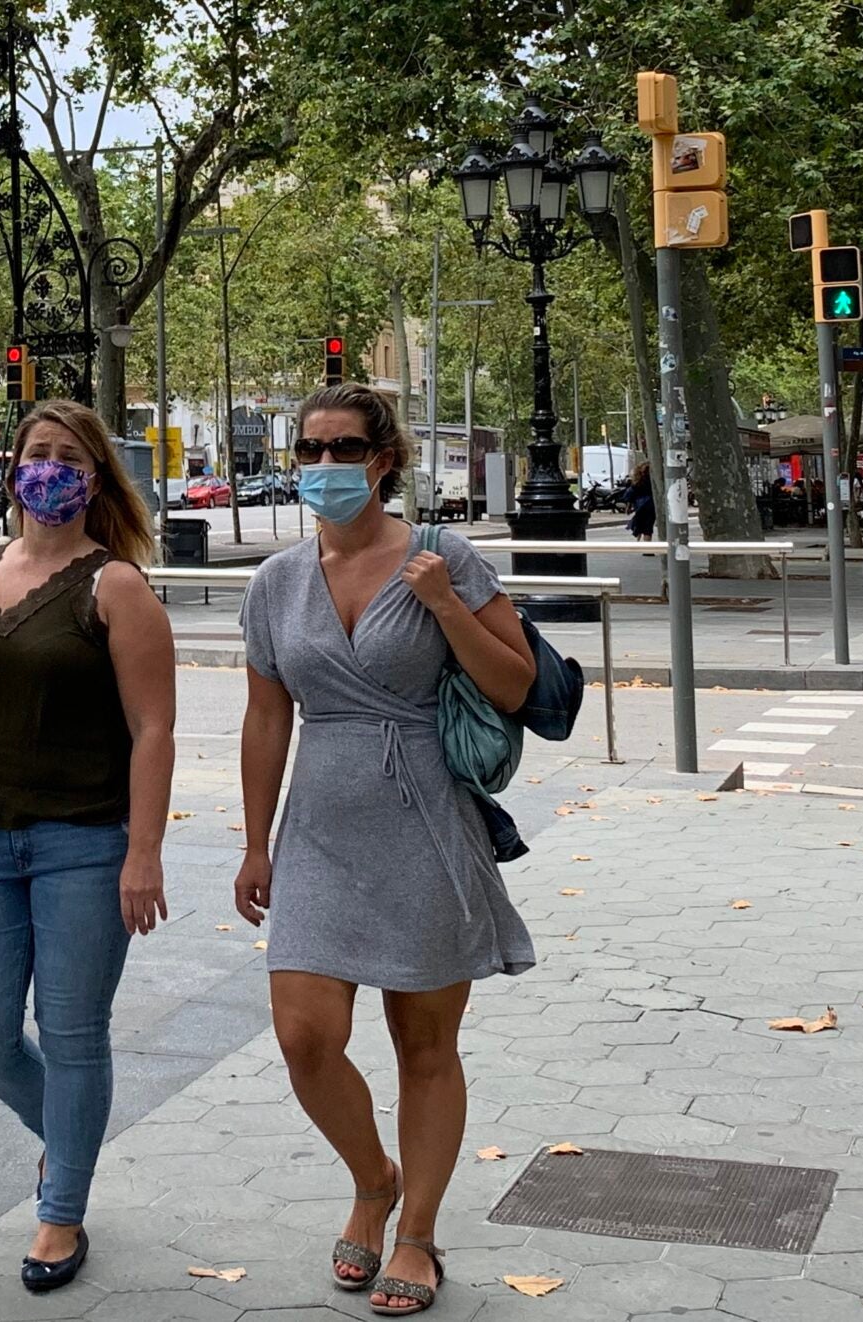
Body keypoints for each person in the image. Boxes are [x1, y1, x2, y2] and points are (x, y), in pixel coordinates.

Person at [233, 383, 538, 1317]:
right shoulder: (276, 581)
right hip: (320, 826)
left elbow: (517, 684)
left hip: (425, 820)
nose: (324, 467)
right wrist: (255, 843)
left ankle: (416, 1235)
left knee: (423, 1041)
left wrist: (446, 607)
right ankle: (374, 1177)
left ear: (384, 458)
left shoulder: (445, 557)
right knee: (303, 1035)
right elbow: (263, 715)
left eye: (344, 449)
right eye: (309, 450)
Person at [0, 399, 175, 1295]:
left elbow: (153, 731)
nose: (49, 468)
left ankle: (61, 1211)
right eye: (35, 454)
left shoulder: (117, 587)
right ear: (11, 470)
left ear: (95, 476)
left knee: (71, 1035)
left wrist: (145, 853)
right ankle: (65, 1145)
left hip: (85, 847)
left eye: (68, 456)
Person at [623, 459, 655, 541]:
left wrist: (628, 507)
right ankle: (647, 549)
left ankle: (639, 540)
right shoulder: (653, 480)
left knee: (640, 524)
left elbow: (631, 495)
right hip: (651, 506)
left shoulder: (637, 481)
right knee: (648, 528)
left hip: (640, 506)